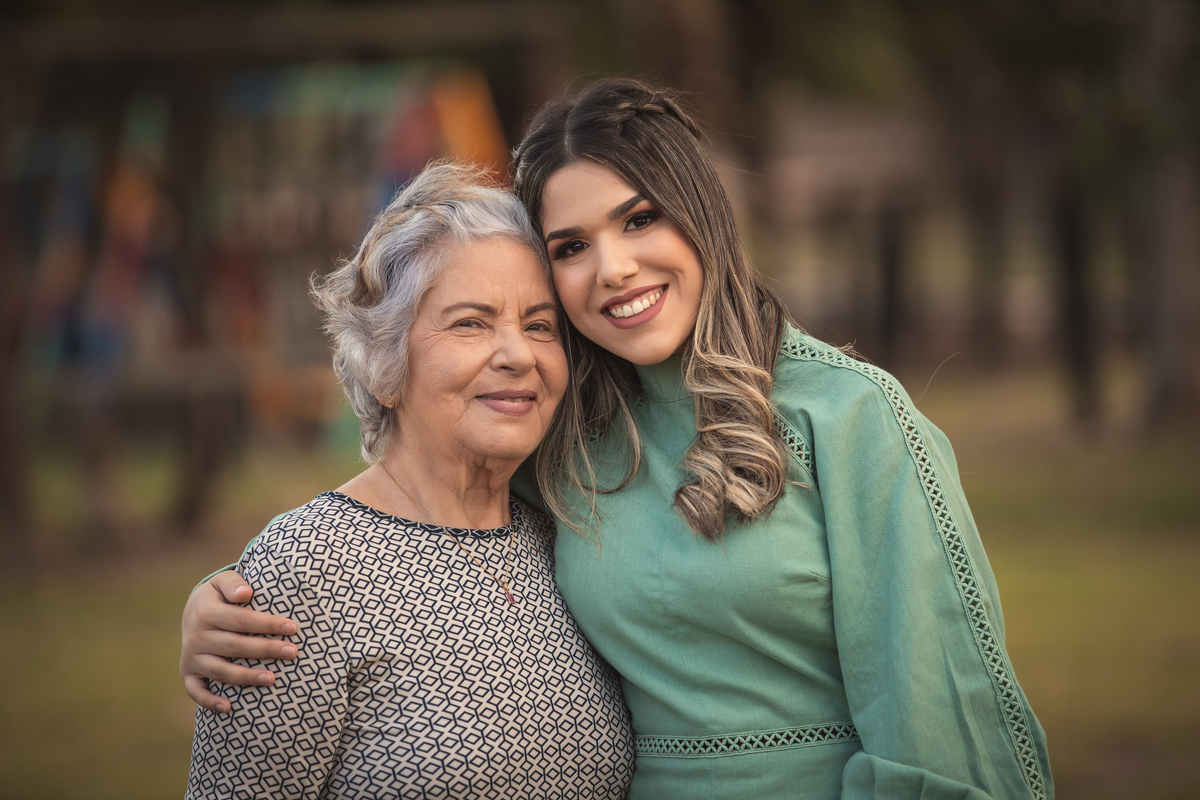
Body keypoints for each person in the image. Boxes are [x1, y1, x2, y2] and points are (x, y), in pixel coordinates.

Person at [182, 80, 1053, 800]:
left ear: (700, 214)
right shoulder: (571, 437)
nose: (614, 270)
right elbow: (421, 485)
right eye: (570, 245)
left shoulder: (850, 417)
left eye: (640, 220)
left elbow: (939, 726)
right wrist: (240, 594)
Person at [182, 162, 634, 799]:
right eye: (471, 322)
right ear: (384, 364)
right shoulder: (305, 569)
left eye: (539, 325)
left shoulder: (570, 533)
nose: (518, 354)